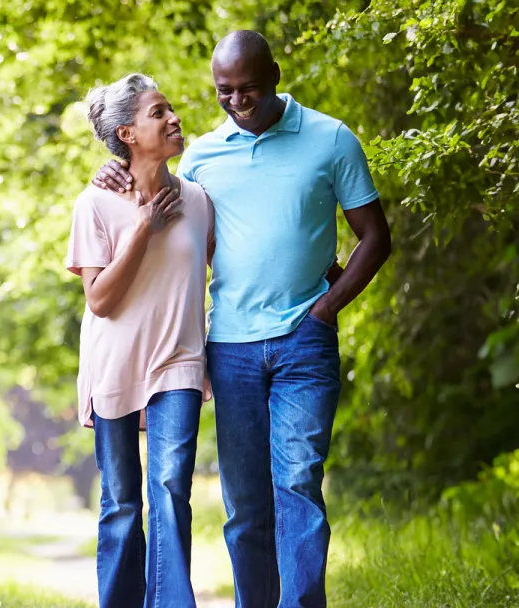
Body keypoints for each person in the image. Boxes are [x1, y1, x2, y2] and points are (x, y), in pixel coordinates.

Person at [92, 31, 392, 608]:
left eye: (248, 88)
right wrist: (113, 170)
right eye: (224, 91)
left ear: (275, 75)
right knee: (245, 503)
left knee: (299, 481)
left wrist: (326, 309)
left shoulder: (331, 139)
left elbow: (374, 238)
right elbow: (157, 205)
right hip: (228, 347)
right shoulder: (203, 155)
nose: (237, 101)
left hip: (304, 342)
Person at [68, 72, 214, 608]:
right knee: (122, 503)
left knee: (171, 489)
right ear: (128, 134)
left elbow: (233, 269)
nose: (174, 118)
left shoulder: (199, 200)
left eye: (170, 110)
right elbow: (100, 300)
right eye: (159, 113)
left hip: (178, 361)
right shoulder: (96, 203)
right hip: (114, 368)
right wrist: (143, 229)